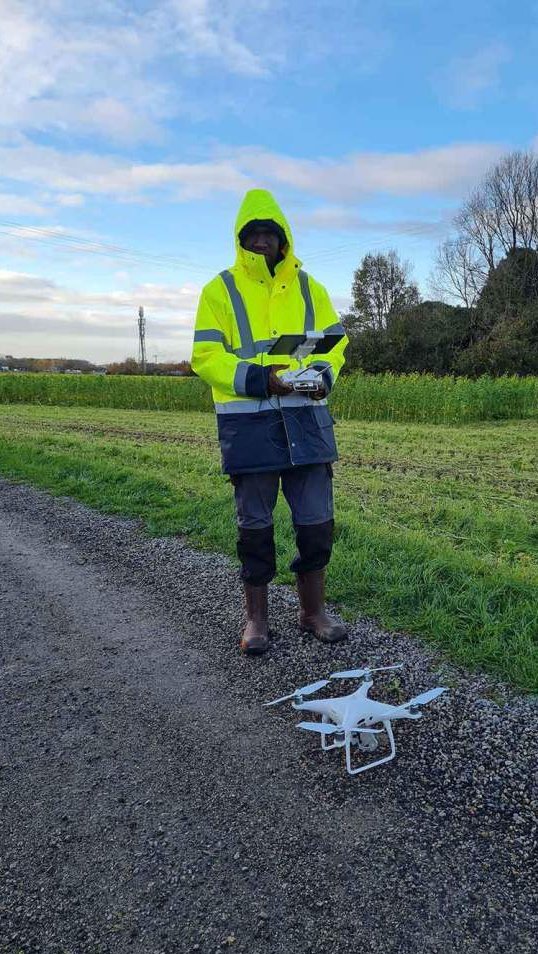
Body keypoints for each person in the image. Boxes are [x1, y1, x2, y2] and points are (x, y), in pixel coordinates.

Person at [191, 188, 349, 655]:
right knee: (255, 529)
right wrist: (262, 378)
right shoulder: (219, 289)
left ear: (285, 240)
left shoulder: (310, 287)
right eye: (253, 234)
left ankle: (312, 612)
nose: (261, 242)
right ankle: (256, 620)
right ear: (241, 240)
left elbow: (336, 343)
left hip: (307, 423)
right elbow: (205, 356)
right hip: (250, 428)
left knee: (317, 523)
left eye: (269, 234)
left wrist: (319, 377)